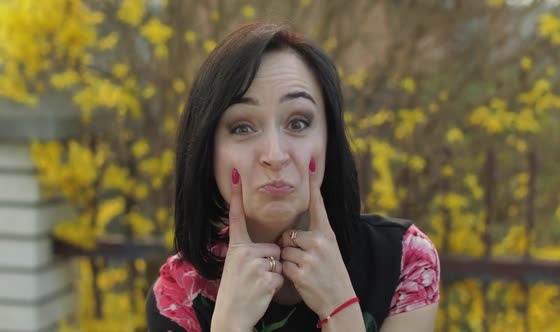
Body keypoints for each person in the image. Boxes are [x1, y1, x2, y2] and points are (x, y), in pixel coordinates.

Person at [146, 22, 440, 332]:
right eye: (242, 127)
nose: (274, 155)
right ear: (207, 148)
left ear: (329, 140)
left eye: (298, 123)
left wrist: (340, 310)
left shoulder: (403, 261)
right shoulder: (179, 295)